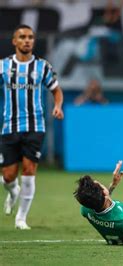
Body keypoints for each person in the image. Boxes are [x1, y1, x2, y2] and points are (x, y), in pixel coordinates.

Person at [0, 24, 64, 230]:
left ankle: (21, 218)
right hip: (9, 126)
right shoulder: (3, 66)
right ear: (14, 41)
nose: (27, 40)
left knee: (29, 169)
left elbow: (56, 90)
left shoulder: (42, 66)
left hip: (35, 126)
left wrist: (58, 106)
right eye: (23, 37)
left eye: (30, 37)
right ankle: (12, 192)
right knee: (8, 176)